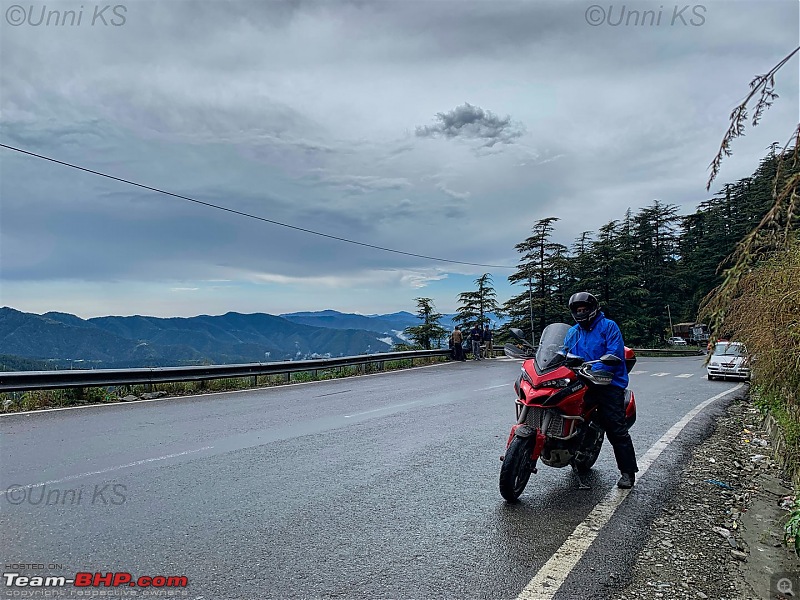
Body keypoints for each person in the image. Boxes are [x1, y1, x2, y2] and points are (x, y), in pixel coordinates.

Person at [563, 292, 638, 489]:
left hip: (607, 383)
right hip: (582, 381)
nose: (580, 313)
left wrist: (592, 370)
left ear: (592, 309)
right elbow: (563, 353)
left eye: (584, 309)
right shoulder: (573, 332)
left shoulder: (608, 327)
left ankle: (628, 472)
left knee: (615, 427)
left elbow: (614, 353)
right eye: (577, 310)